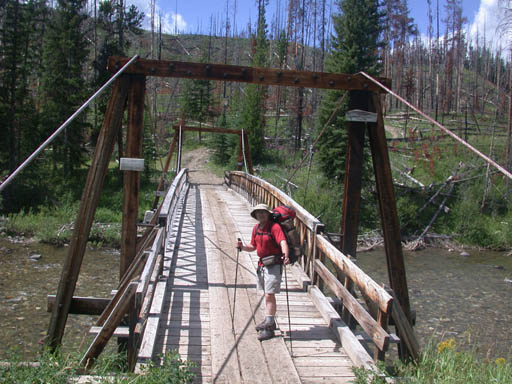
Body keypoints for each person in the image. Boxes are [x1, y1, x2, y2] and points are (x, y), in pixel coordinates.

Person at [236, 203, 289, 341]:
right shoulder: (256, 228)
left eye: (263, 212)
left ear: (268, 214)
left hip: (274, 265)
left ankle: (269, 325)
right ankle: (270, 321)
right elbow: (253, 246)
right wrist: (242, 248)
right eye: (258, 213)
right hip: (262, 265)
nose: (261, 215)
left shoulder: (274, 227)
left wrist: (286, 255)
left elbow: (283, 241)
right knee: (267, 294)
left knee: (269, 295)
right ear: (255, 215)